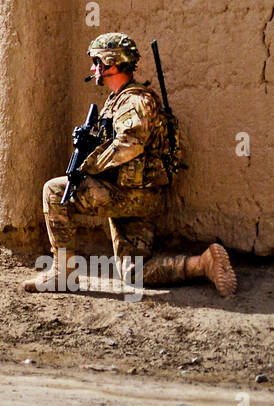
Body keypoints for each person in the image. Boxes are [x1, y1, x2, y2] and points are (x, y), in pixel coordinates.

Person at [23, 32, 237, 297]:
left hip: (130, 194)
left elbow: (129, 144)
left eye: (96, 61)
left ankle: (63, 272)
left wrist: (89, 167)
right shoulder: (118, 100)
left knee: (54, 192)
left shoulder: (135, 101)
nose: (93, 68)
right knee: (135, 273)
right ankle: (204, 263)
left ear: (111, 64)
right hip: (134, 192)